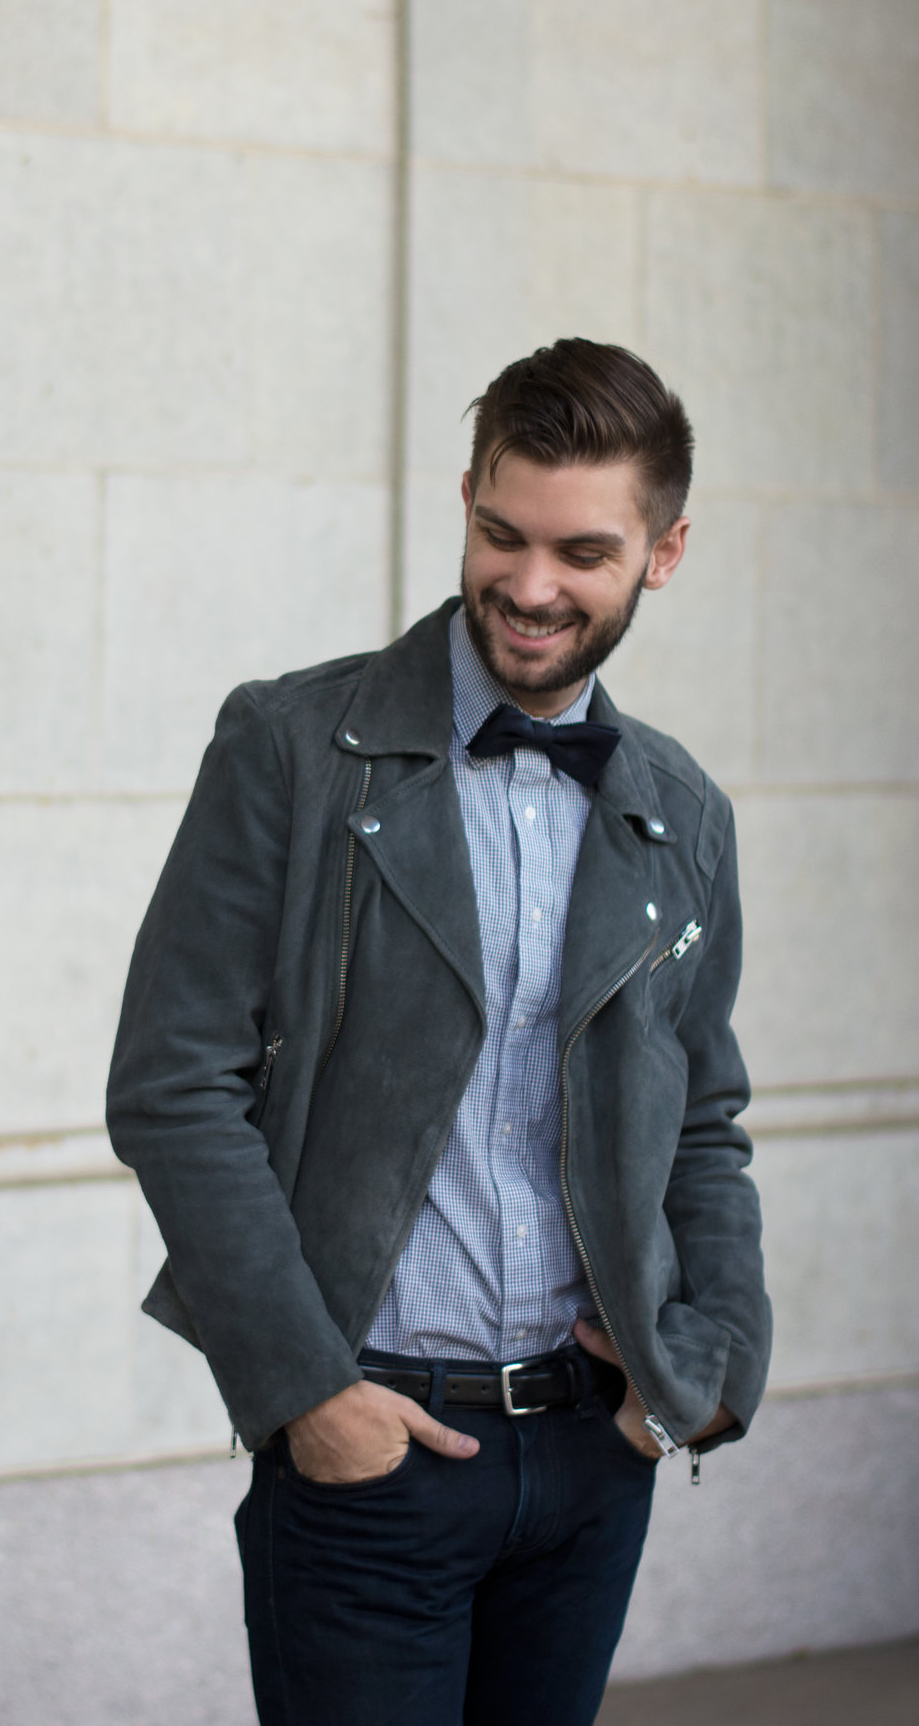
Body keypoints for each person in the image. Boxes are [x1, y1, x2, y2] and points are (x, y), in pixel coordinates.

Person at [107, 340, 770, 1726]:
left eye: (583, 550)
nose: (530, 586)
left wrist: (704, 1372)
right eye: (500, 533)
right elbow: (173, 1083)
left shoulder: (681, 811)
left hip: (593, 1463)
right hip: (375, 1449)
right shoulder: (293, 743)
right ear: (466, 497)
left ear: (665, 551)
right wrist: (307, 1393)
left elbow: (704, 1118)